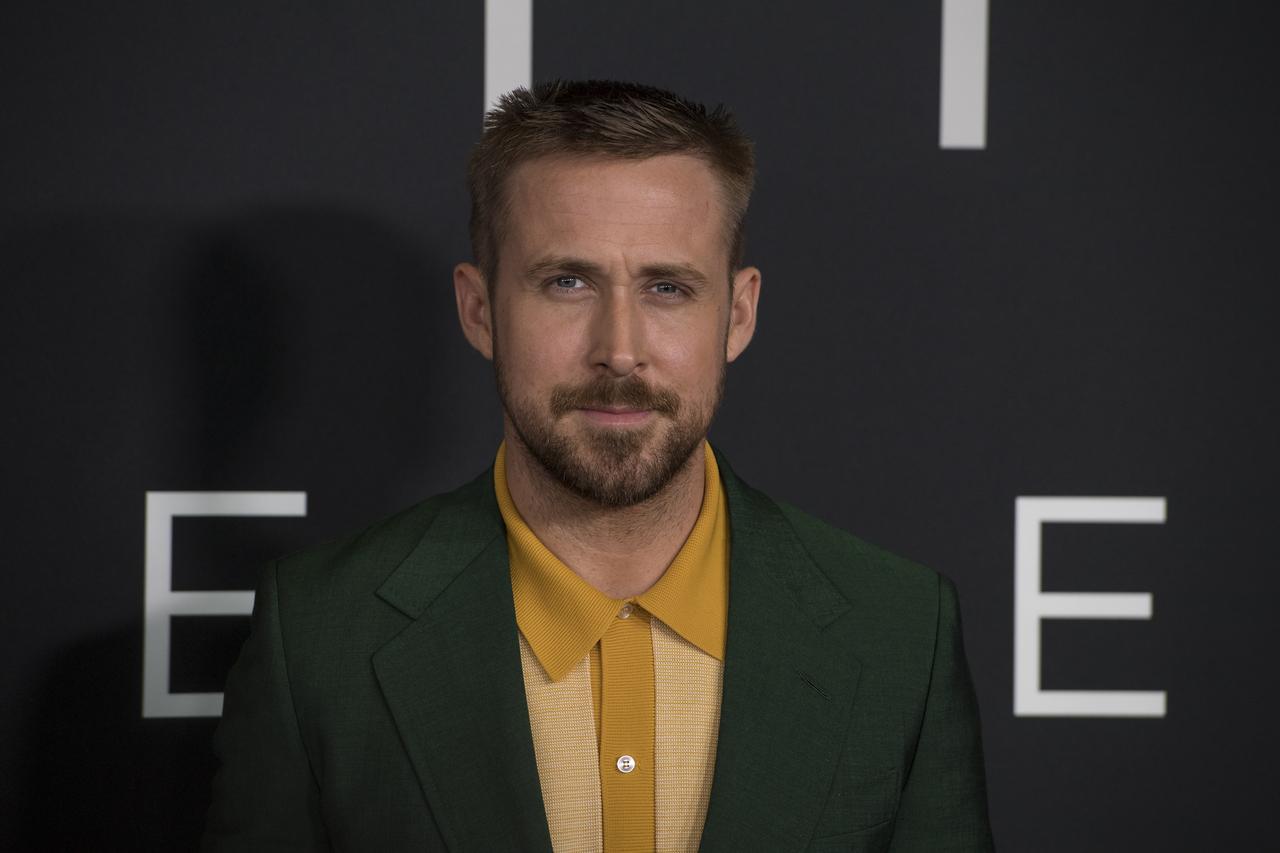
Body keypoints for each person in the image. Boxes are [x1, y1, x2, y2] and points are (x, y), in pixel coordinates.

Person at [203, 79, 994, 853]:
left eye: (668, 287)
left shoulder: (901, 633)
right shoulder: (318, 639)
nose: (619, 348)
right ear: (479, 310)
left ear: (739, 313)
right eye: (568, 282)